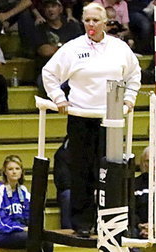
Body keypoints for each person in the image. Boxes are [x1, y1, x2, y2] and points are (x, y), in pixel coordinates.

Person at [42, 2, 141, 236]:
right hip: (81, 117)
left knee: (110, 173)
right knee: (82, 172)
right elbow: (49, 73)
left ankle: (110, 224)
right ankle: (83, 224)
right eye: (87, 20)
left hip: (112, 119)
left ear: (105, 22)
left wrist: (129, 99)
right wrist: (59, 98)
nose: (91, 25)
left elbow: (134, 74)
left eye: (95, 20)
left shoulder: (119, 48)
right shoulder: (72, 48)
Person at [0, 154, 54, 252]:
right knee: (33, 240)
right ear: (5, 172)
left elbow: (31, 214)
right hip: (1, 233)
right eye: (10, 169)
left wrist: (33, 227)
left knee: (47, 241)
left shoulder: (23, 191)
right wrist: (21, 229)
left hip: (20, 231)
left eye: (17, 169)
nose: (14, 172)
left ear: (22, 172)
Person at [32, 0, 83, 94]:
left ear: (60, 9)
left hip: (71, 70)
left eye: (53, 6)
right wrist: (67, 47)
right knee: (46, 83)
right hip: (49, 72)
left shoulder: (72, 26)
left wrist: (56, 47)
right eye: (47, 7)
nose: (50, 10)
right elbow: (45, 51)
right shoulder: (39, 28)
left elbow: (80, 49)